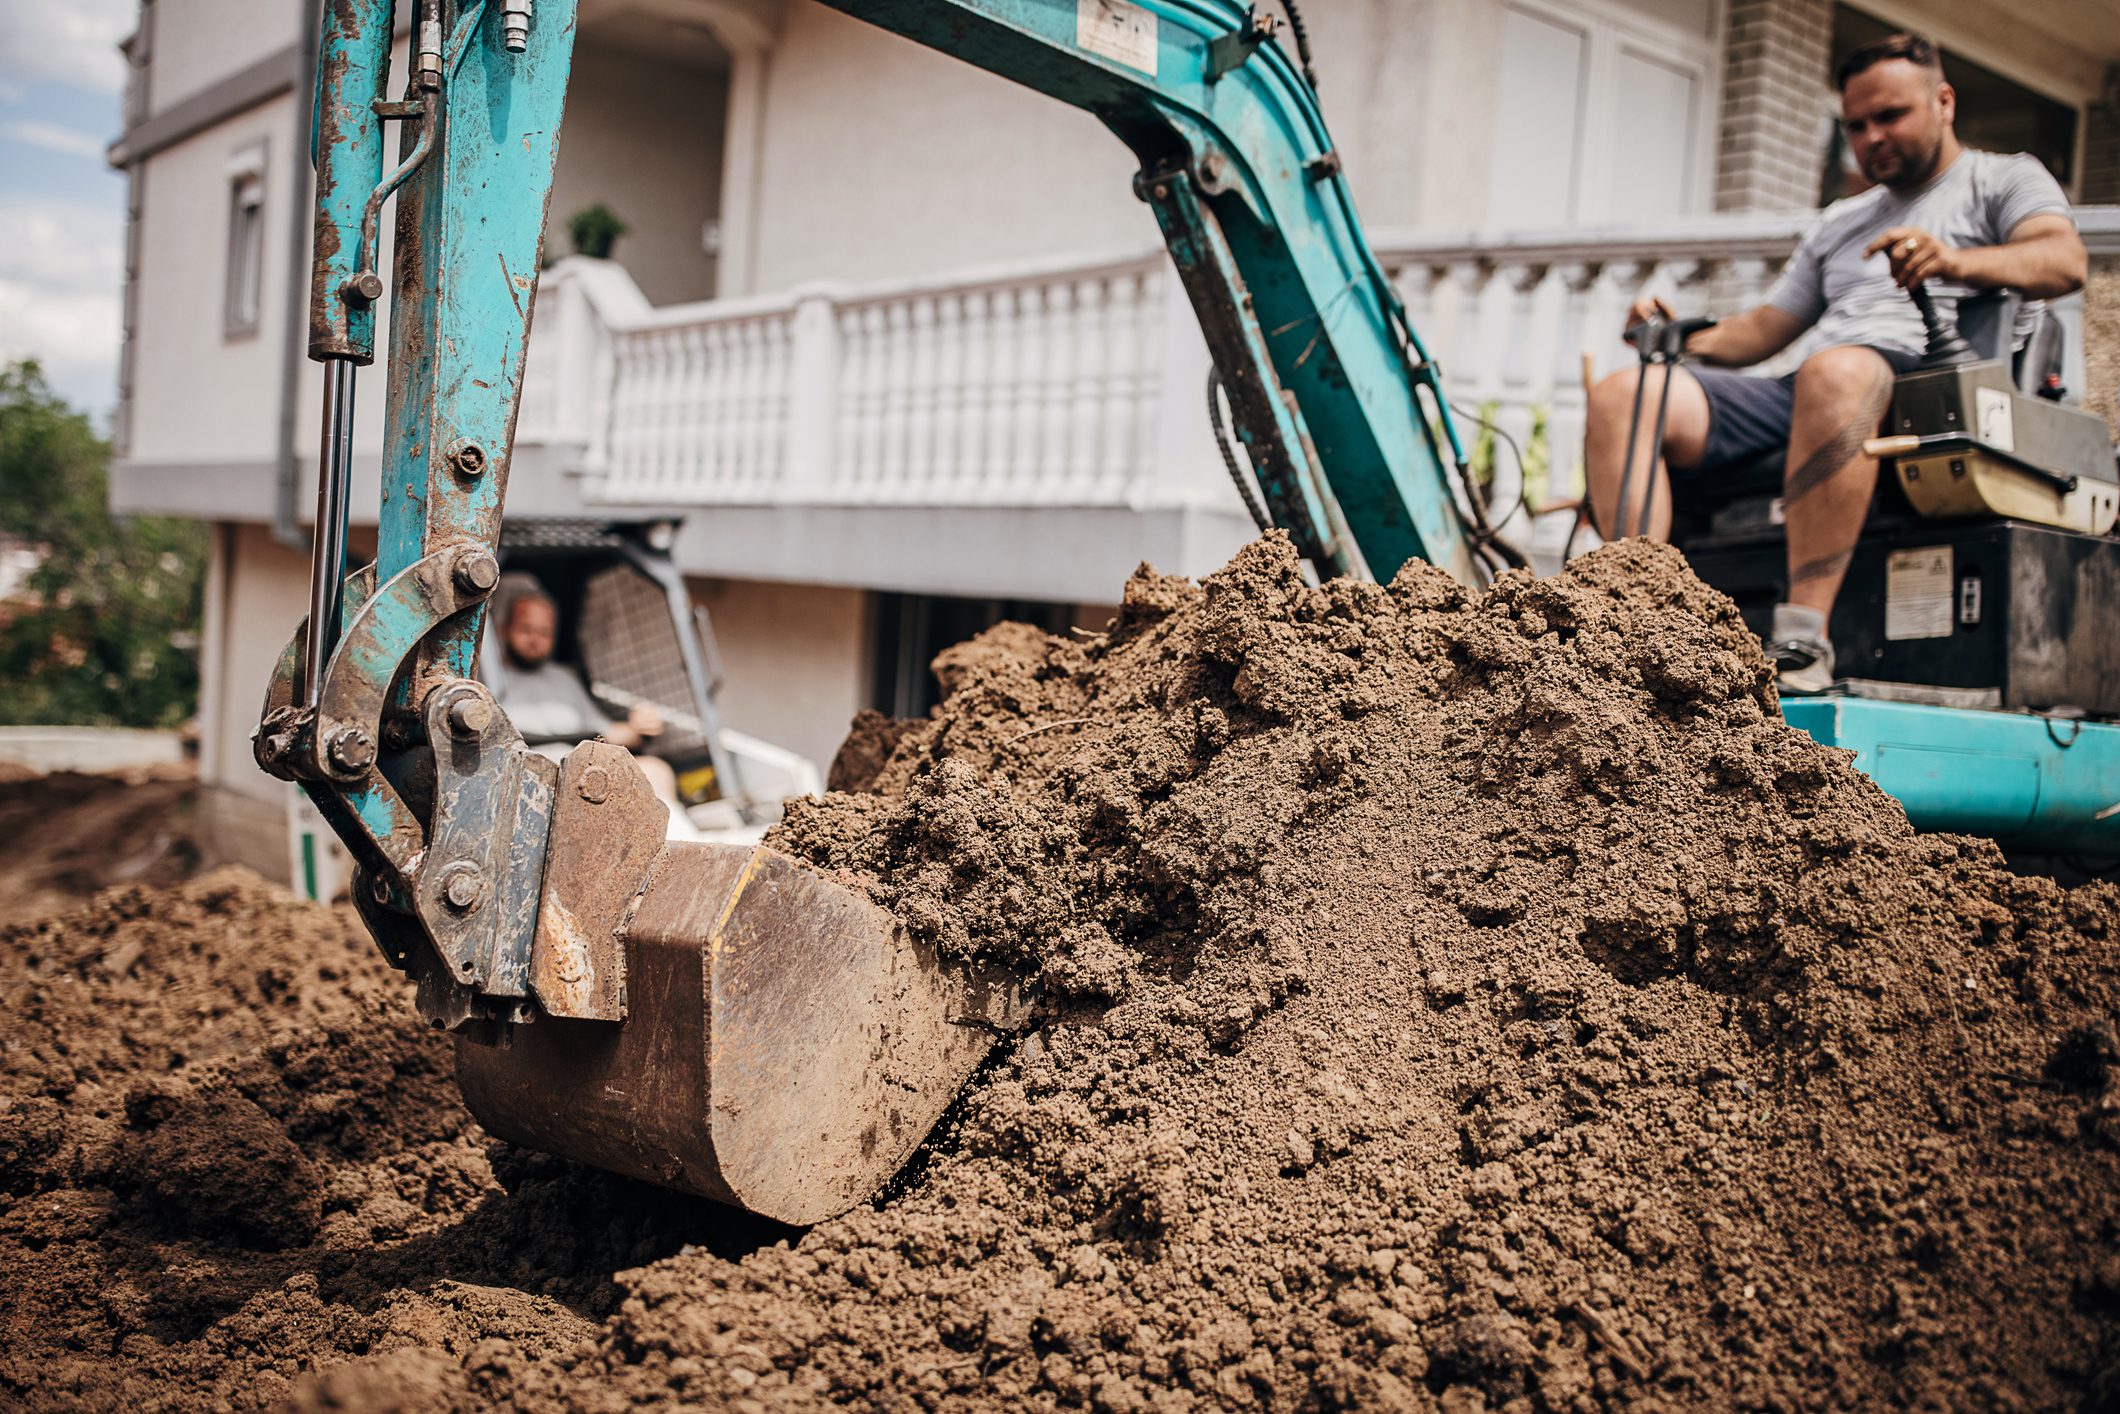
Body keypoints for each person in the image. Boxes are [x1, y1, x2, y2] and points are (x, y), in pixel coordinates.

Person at [1581, 31, 2088, 694]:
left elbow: (2063, 261)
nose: (1871, 136)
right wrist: (1673, 337)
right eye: (1855, 124)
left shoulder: (2002, 181)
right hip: (1817, 383)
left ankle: (1802, 637)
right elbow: (1765, 329)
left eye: (1890, 116)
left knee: (1837, 371)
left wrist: (1953, 260)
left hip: (1928, 383)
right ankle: (1638, 630)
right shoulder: (1841, 221)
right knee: (1626, 393)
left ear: (1944, 101)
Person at [489, 588, 663, 752]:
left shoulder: (564, 678)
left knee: (656, 769)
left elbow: (605, 733)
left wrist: (639, 727)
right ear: (504, 629)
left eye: (544, 633)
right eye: (526, 629)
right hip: (517, 775)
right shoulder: (489, 680)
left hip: (578, 773)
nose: (534, 640)